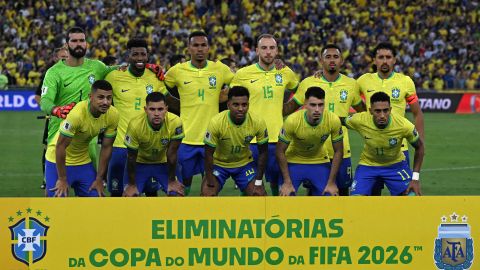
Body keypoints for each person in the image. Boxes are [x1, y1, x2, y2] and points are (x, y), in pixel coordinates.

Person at [283, 44, 365, 196]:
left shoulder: (351, 84)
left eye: (336, 57)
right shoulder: (308, 83)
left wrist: (348, 121)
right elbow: (289, 108)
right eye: (328, 57)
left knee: (341, 192)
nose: (332, 60)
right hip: (315, 151)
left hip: (341, 148)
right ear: (321, 60)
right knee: (315, 192)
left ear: (341, 60)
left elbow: (364, 114)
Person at [40, 27, 119, 185]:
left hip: (87, 139)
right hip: (59, 136)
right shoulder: (54, 72)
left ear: (86, 44)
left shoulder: (97, 67)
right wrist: (57, 110)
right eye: (74, 40)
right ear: (66, 45)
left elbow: (119, 72)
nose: (78, 44)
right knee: (55, 196)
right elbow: (45, 101)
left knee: (90, 196)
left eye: (81, 40)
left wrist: (148, 68)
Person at [163, 30, 234, 195]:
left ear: (209, 48)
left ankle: (206, 216)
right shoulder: (177, 70)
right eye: (195, 45)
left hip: (211, 139)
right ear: (189, 48)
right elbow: (158, 83)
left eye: (203, 45)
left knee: (210, 188)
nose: (200, 49)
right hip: (186, 138)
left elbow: (241, 81)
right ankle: (184, 216)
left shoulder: (220, 69)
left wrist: (225, 97)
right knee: (180, 187)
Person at [230, 34, 299, 196]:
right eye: (264, 48)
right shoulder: (243, 74)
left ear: (277, 51)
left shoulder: (285, 72)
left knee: (282, 190)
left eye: (272, 48)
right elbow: (231, 101)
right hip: (251, 141)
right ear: (256, 51)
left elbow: (300, 91)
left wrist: (286, 109)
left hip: (278, 140)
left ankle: (278, 217)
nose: (268, 52)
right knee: (251, 190)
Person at [357, 42, 425, 195]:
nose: (385, 61)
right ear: (374, 60)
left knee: (404, 197)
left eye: (388, 57)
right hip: (373, 149)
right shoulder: (363, 81)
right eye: (381, 57)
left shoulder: (405, 81)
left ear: (394, 60)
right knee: (372, 198)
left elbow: (417, 113)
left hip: (400, 149)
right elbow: (346, 91)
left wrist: (419, 139)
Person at [105, 38, 168, 196]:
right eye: (135, 54)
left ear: (148, 56)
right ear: (128, 56)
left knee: (150, 193)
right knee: (116, 193)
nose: (139, 58)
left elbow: (165, 104)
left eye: (143, 54)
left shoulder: (156, 77)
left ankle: (147, 221)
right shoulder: (114, 76)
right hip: (120, 145)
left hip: (146, 146)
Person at [344, 92, 424, 196]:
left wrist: (415, 178)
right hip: (368, 166)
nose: (382, 115)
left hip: (395, 166)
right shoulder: (360, 120)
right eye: (377, 111)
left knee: (412, 197)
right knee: (356, 201)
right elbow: (338, 121)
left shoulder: (404, 125)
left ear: (390, 110)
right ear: (370, 111)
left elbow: (420, 147)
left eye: (385, 111)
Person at [48, 80, 119, 197]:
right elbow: (60, 146)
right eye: (100, 97)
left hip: (83, 162)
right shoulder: (77, 115)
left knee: (96, 201)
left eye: (109, 98)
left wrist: (100, 178)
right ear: (91, 97)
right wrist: (62, 179)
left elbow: (106, 147)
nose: (105, 102)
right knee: (56, 205)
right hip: (57, 161)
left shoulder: (113, 114)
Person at [201, 86, 268, 196]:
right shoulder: (216, 122)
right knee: (207, 194)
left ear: (248, 105)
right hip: (219, 164)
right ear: (228, 105)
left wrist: (259, 181)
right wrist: (209, 179)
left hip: (244, 164)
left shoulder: (258, 122)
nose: (240, 109)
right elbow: (208, 153)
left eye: (244, 105)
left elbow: (263, 152)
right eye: (236, 104)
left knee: (259, 195)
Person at [276, 87, 343, 196]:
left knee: (329, 195)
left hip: (319, 161)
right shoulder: (292, 121)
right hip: (294, 161)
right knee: (286, 196)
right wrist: (287, 182)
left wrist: (331, 183)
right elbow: (279, 151)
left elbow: (339, 151)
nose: (317, 109)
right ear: (305, 104)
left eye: (320, 105)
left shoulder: (333, 120)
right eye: (313, 105)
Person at [123, 92, 184, 197]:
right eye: (152, 109)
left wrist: (172, 180)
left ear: (166, 109)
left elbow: (172, 154)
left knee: (177, 194)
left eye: (160, 109)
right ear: (145, 110)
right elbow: (131, 158)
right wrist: (132, 184)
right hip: (139, 163)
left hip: (163, 163)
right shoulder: (135, 125)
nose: (156, 113)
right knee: (129, 196)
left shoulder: (175, 122)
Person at [34, 47, 69, 190]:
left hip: (70, 120)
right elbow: (38, 97)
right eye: (62, 57)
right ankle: (47, 178)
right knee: (48, 147)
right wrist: (51, 109)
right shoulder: (50, 74)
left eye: (66, 57)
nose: (65, 59)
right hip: (54, 118)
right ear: (55, 58)